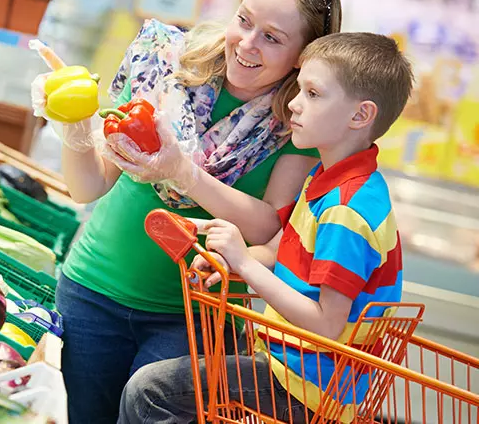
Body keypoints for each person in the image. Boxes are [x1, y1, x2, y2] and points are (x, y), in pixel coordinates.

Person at [31, 0, 342, 423]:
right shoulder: (161, 62)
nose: (247, 44)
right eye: (244, 20)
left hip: (195, 318)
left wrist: (184, 172)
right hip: (93, 292)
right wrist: (73, 126)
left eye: (272, 38)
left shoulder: (298, 122)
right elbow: (88, 185)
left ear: (303, 56)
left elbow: (269, 228)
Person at [118, 32, 414, 424]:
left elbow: (327, 323)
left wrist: (246, 263)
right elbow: (282, 253)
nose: (293, 103)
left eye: (313, 93)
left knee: (150, 391)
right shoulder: (328, 180)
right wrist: (229, 252)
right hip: (287, 363)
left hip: (306, 386)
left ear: (360, 116)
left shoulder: (348, 209)